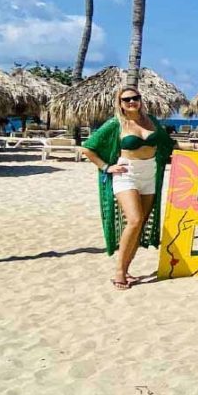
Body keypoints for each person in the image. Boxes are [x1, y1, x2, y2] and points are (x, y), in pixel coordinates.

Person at [80, 86, 176, 290]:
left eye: (135, 97)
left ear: (140, 100)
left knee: (139, 225)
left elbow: (168, 144)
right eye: (126, 99)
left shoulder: (151, 120)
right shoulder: (116, 123)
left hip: (149, 175)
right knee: (135, 220)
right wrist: (106, 167)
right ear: (120, 104)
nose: (132, 101)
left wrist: (195, 146)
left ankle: (126, 269)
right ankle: (119, 272)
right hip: (126, 174)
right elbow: (87, 148)